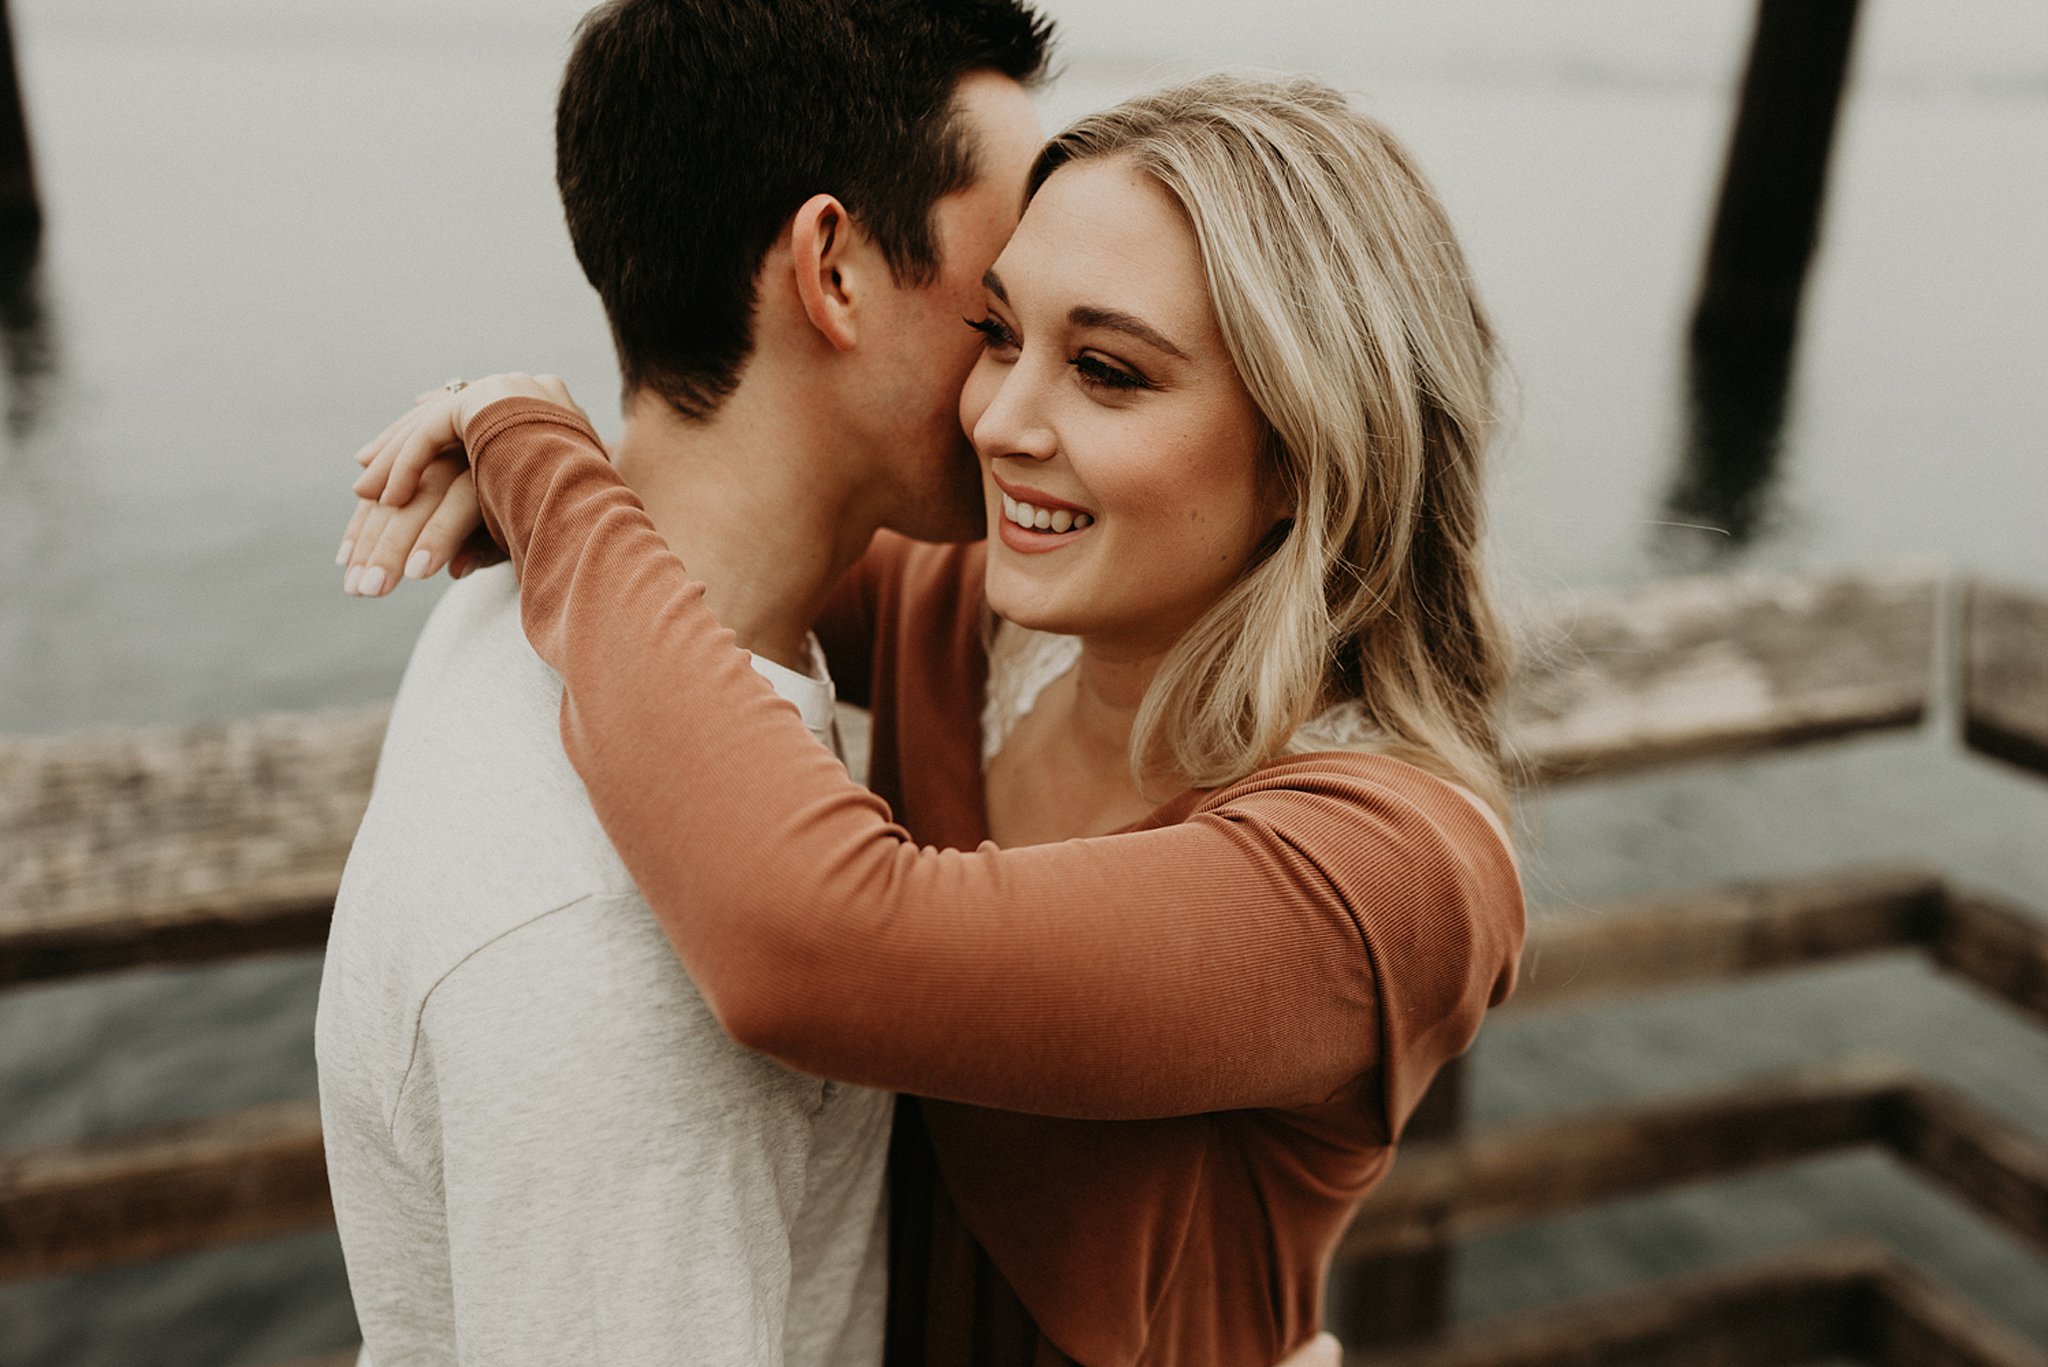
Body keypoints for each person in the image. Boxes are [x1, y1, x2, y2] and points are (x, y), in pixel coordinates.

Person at [342, 76, 1523, 1366]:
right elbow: (728, 541)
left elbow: (814, 940)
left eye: (1108, 372)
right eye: (999, 332)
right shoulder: (966, 625)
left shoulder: (1385, 872)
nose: (1000, 421)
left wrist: (539, 453)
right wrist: (509, 437)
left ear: (1307, 448)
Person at [314, 2, 1057, 1364]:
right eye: (1004, 305)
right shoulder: (618, 946)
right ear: (832, 269)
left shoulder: (531, 604)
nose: (1035, 379)